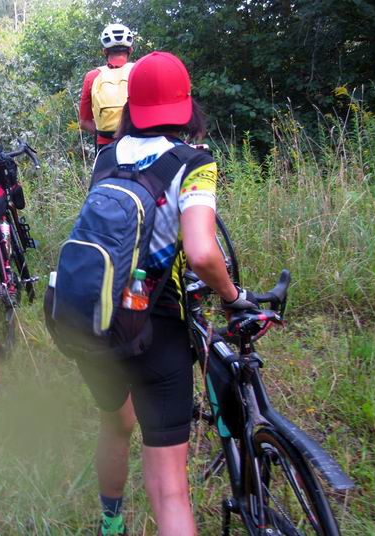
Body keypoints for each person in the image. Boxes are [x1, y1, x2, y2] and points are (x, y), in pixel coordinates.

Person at [79, 51, 258, 535]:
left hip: (97, 321)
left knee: (115, 425)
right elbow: (201, 253)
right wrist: (231, 293)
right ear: (186, 106)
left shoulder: (106, 156)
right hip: (157, 330)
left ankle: (111, 526)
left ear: (131, 106)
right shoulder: (195, 164)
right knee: (170, 489)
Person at [78, 24, 135, 154]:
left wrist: (105, 132)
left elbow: (84, 122)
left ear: (105, 51)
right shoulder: (138, 72)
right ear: (130, 50)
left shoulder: (92, 76)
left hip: (106, 148)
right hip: (136, 146)